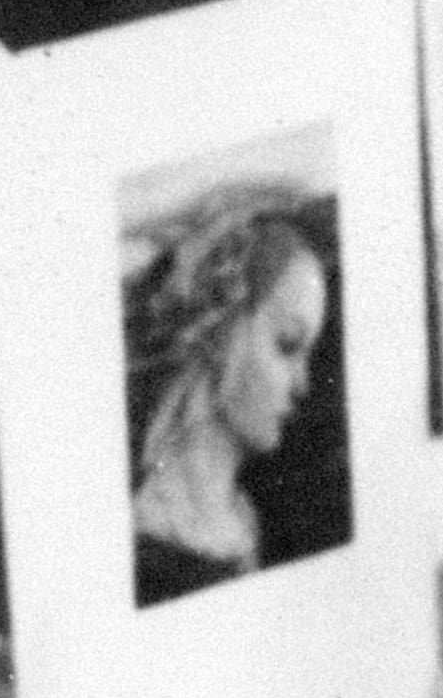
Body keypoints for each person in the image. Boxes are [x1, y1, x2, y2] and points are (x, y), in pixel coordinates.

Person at [123, 188, 339, 602]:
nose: (304, 385)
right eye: (287, 345)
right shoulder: (145, 534)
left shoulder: (245, 521)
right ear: (221, 334)